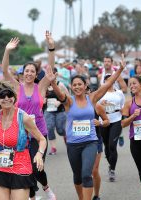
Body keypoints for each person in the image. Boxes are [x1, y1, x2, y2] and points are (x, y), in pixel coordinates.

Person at [51, 54, 126, 200]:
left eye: (80, 84)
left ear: (85, 86)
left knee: (87, 174)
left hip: (90, 142)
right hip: (73, 144)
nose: (77, 87)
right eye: (75, 85)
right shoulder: (69, 102)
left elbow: (106, 84)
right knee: (77, 176)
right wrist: (53, 82)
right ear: (71, 87)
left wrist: (120, 70)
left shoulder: (92, 99)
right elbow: (59, 94)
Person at [2, 31, 57, 200]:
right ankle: (32, 197)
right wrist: (7, 51)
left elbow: (50, 68)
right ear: (22, 73)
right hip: (21, 135)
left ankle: (47, 189)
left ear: (36, 74)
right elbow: (4, 70)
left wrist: (51, 47)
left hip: (39, 133)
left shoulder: (40, 87)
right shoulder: (16, 87)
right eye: (27, 71)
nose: (29, 74)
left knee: (35, 166)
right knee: (24, 168)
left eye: (32, 71)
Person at [0, 80, 47, 200]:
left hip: (21, 167)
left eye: (10, 94)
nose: (6, 98)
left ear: (14, 97)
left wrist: (39, 154)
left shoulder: (23, 117)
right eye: (2, 95)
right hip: (0, 167)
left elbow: (42, 139)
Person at [98, 74, 125, 182]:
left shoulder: (119, 93)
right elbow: (95, 105)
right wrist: (101, 104)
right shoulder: (101, 92)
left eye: (111, 80)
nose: (109, 82)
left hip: (116, 120)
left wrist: (124, 113)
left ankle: (112, 170)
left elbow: (123, 106)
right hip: (104, 121)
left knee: (112, 145)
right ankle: (111, 164)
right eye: (107, 80)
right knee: (107, 147)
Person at [44, 67, 69, 155]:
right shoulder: (45, 86)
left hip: (60, 110)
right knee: (49, 128)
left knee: (60, 129)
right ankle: (53, 148)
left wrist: (60, 102)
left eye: (53, 73)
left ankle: (66, 137)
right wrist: (43, 100)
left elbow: (68, 96)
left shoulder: (60, 85)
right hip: (48, 110)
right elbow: (40, 96)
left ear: (56, 74)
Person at [92, 103, 109, 200]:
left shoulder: (97, 106)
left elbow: (107, 121)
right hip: (80, 141)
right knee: (83, 172)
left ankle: (96, 195)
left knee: (94, 170)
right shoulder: (75, 105)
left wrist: (100, 123)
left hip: (95, 140)